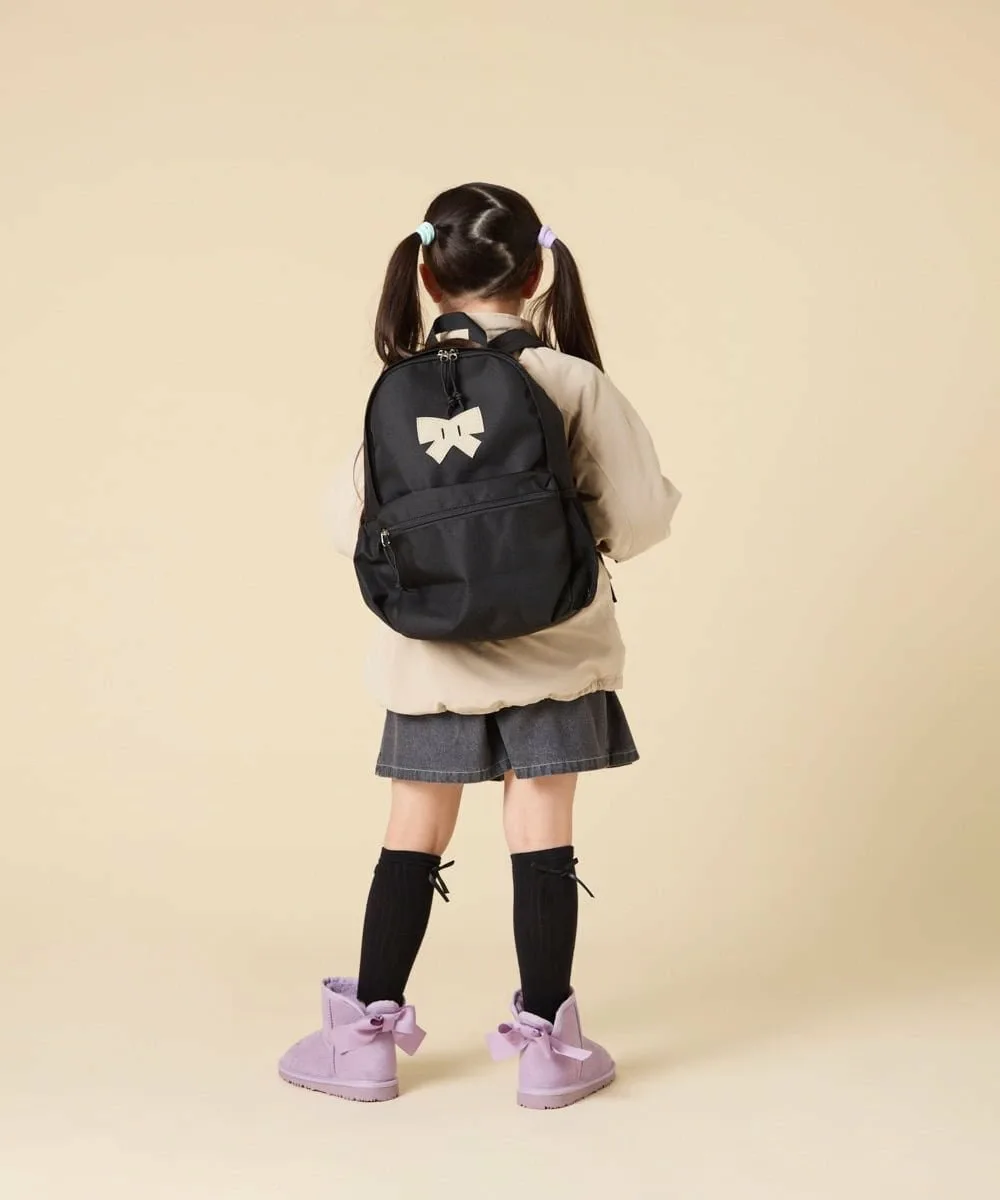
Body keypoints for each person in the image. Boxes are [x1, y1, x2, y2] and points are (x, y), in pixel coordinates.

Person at [278, 182, 680, 1109]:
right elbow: (638, 516)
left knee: (412, 832)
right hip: (557, 649)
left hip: (432, 655)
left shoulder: (399, 386)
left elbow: (346, 522)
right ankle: (547, 1049)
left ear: (426, 275)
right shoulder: (571, 380)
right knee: (543, 832)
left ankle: (367, 1040)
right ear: (538, 274)